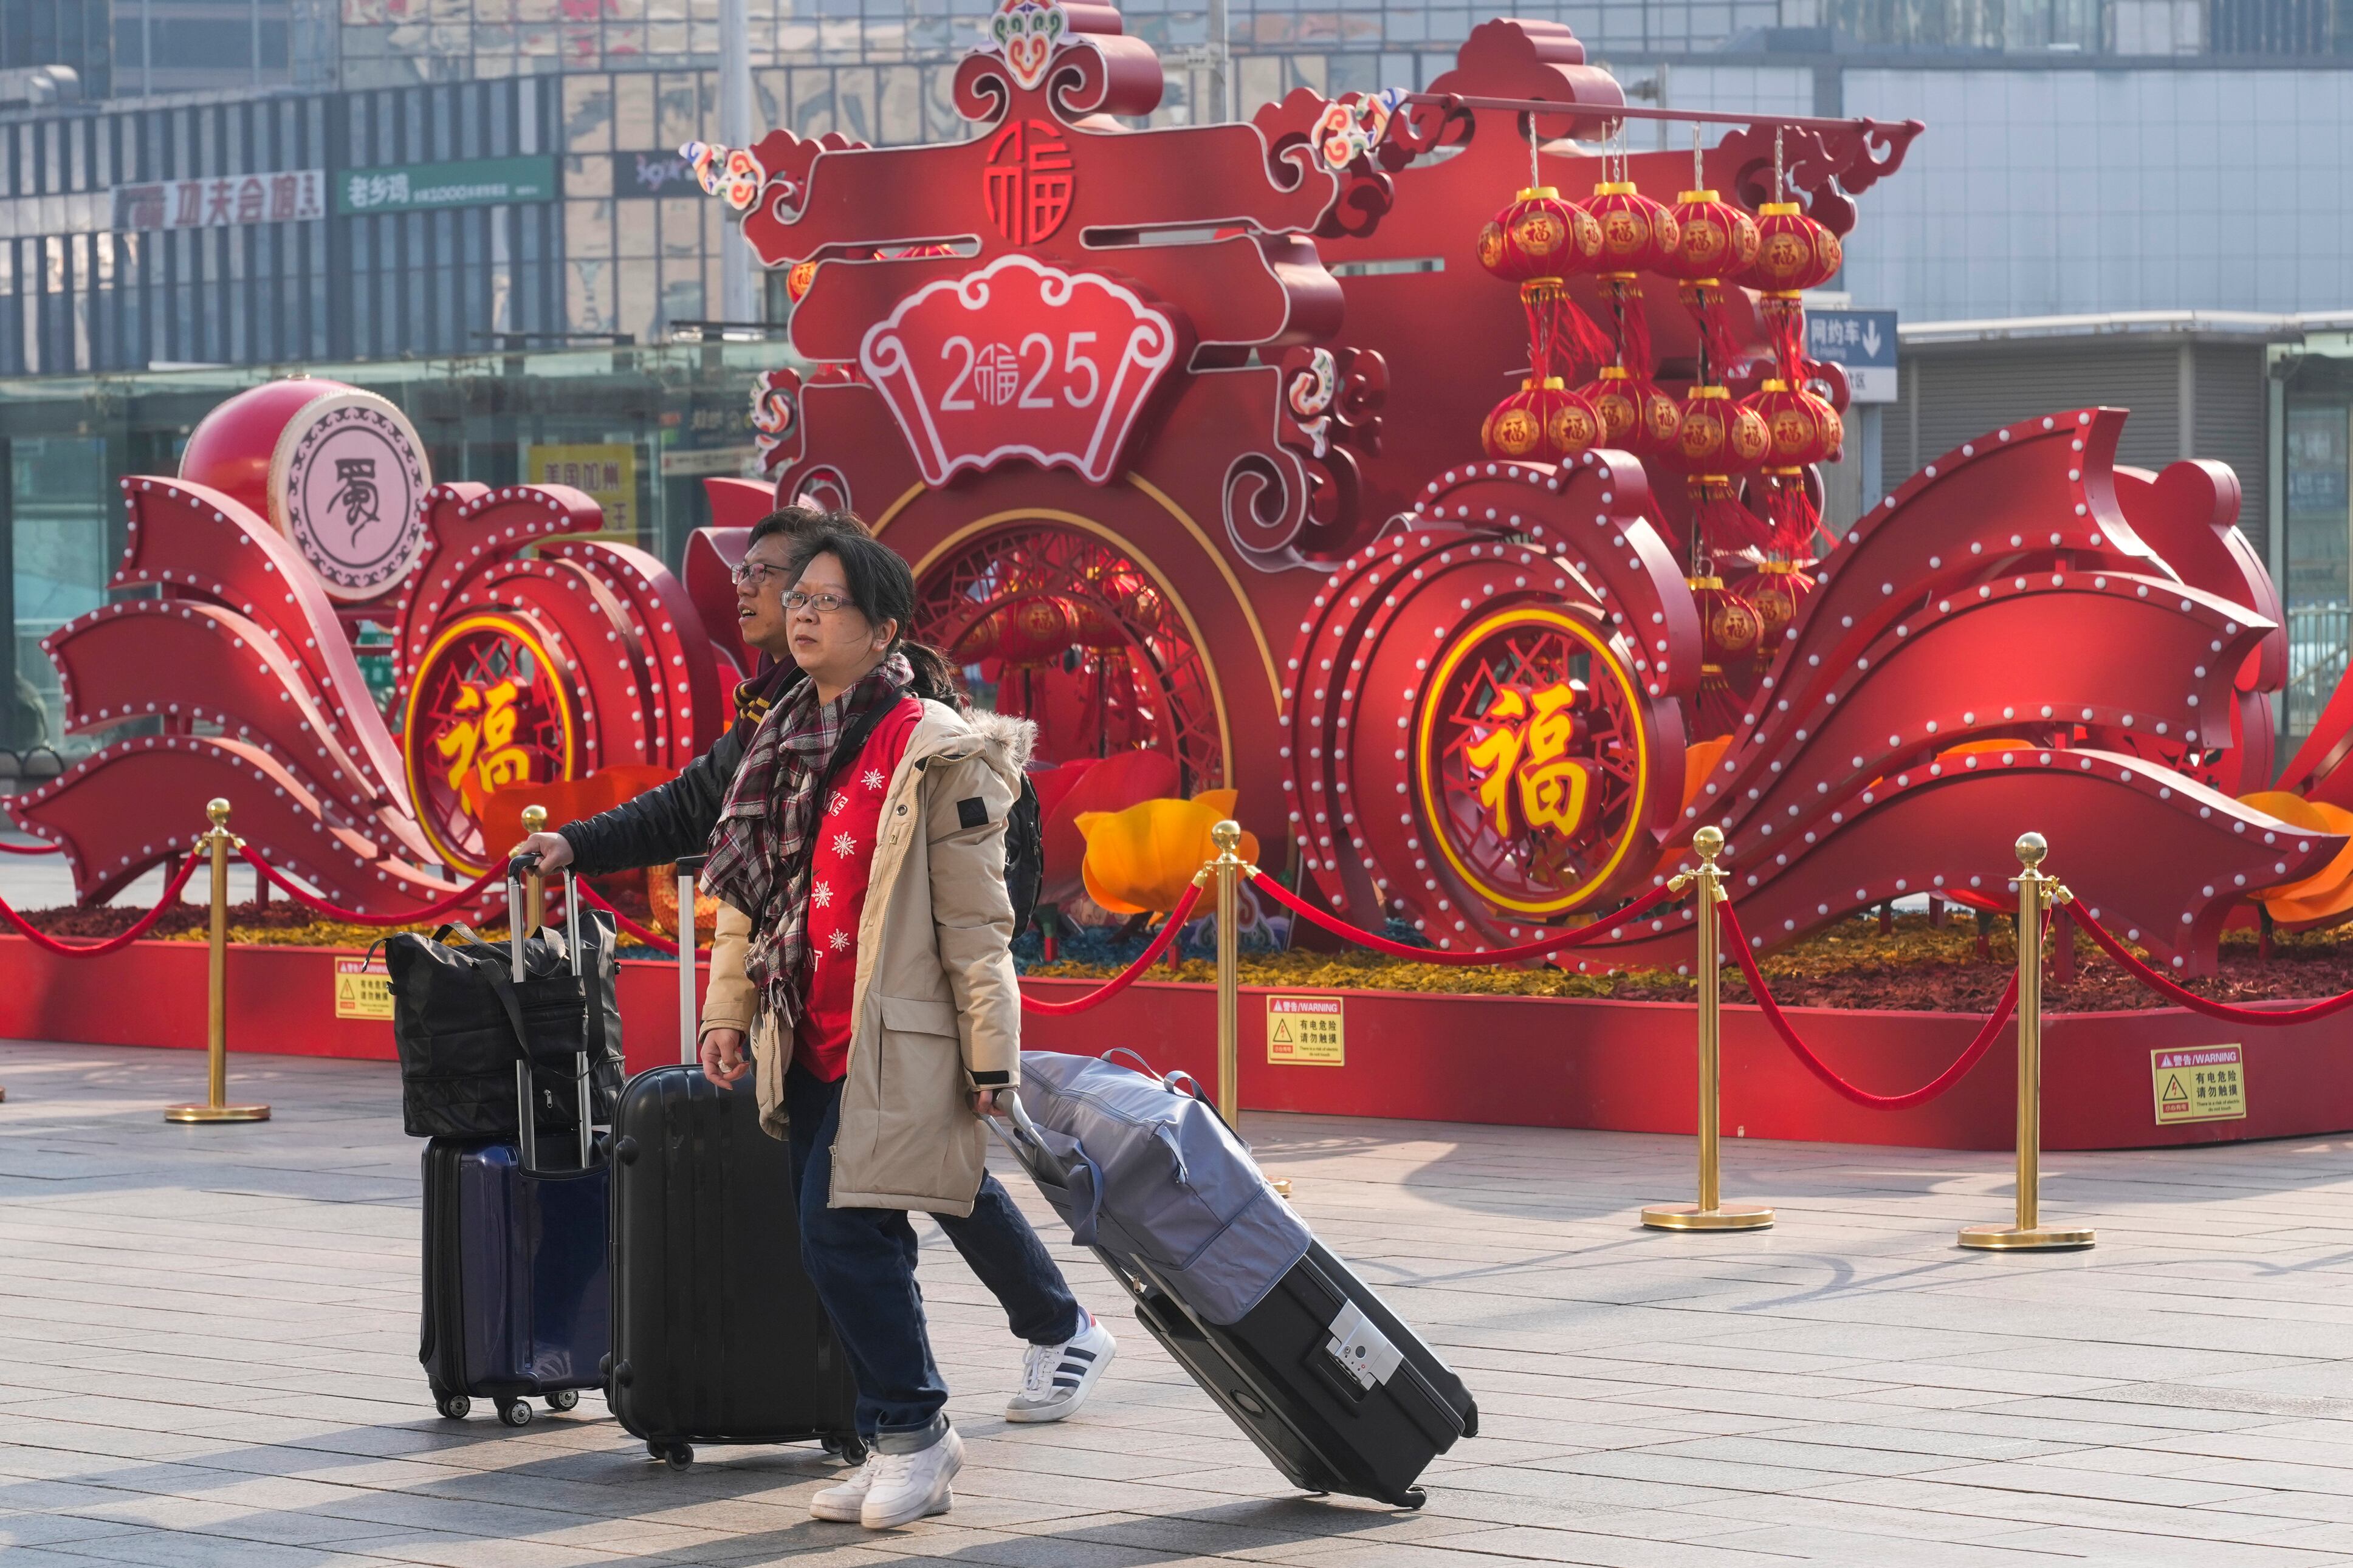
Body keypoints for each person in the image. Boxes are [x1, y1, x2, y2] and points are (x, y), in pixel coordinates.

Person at [508, 509, 1116, 1443]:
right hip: (818, 1010)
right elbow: (715, 835)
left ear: (871, 622)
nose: (762, 596)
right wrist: (586, 850)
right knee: (877, 1199)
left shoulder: (910, 720)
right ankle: (931, 1400)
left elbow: (974, 892)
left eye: (790, 582)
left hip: (901, 996)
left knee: (880, 1195)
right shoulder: (779, 722)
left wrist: (986, 1047)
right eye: (771, 585)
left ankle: (941, 1403)